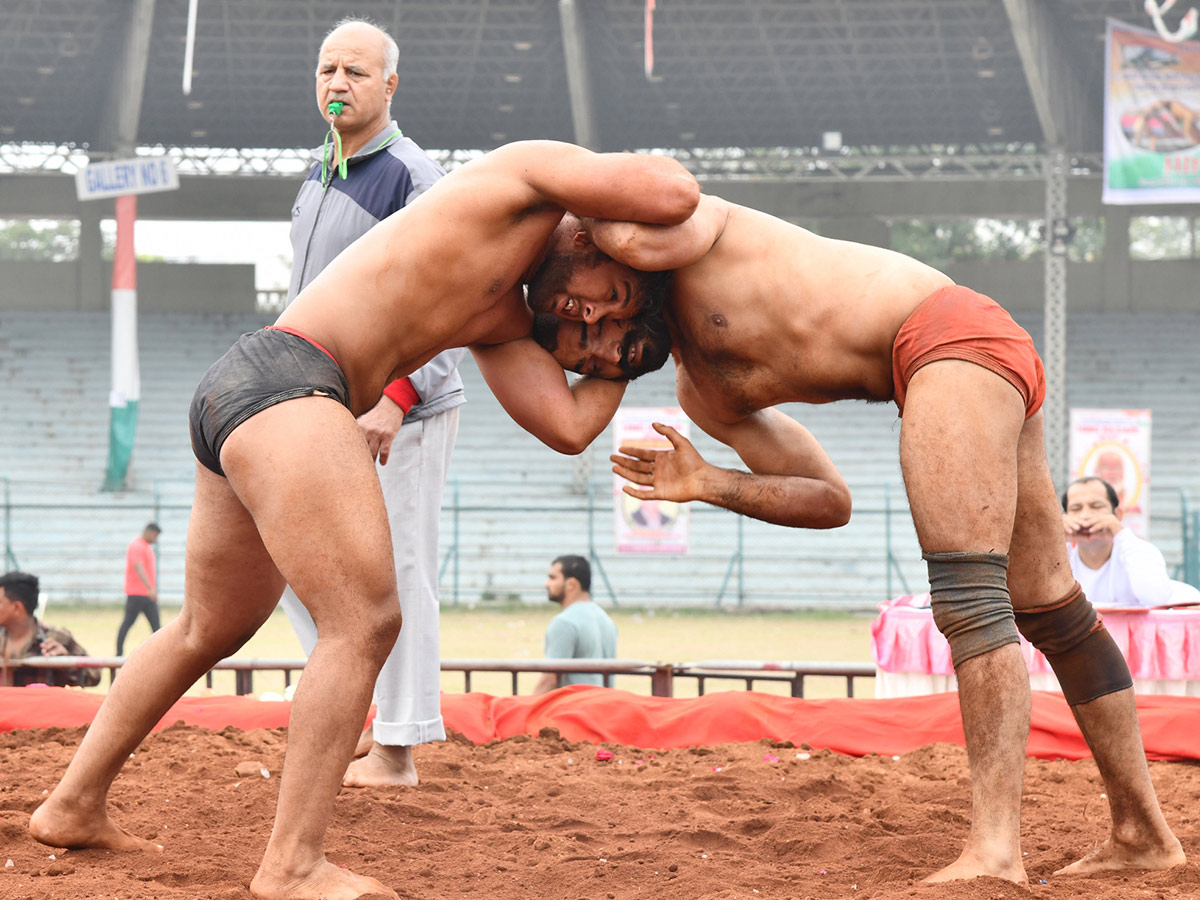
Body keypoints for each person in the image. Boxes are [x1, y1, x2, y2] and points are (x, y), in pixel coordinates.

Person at [28, 139, 699, 900]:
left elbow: (569, 427)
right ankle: (291, 865)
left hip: (246, 388)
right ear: (590, 236)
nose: (595, 314)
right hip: (293, 380)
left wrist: (629, 359)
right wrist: (671, 272)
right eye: (608, 292)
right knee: (368, 620)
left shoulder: (500, 320)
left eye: (611, 321)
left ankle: (71, 803)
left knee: (205, 627)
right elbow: (674, 193)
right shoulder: (518, 179)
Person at [536, 192, 1184, 885]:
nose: (605, 337)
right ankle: (1142, 830)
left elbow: (626, 199)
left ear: (589, 250)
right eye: (589, 355)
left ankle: (997, 850)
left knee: (970, 600)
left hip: (943, 338)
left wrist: (551, 219)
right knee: (1051, 608)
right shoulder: (705, 396)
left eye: (588, 311)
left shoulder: (677, 237)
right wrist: (712, 483)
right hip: (960, 358)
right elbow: (828, 500)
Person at [275, 17, 466, 790]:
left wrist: (396, 394)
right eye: (326, 70)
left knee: (402, 566)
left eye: (355, 71)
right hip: (323, 403)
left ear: (390, 85)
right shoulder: (319, 172)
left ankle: (398, 746)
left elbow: (454, 296)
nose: (337, 83)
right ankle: (363, 701)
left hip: (401, 411)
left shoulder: (415, 175)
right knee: (289, 560)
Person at [1063, 476, 1196, 607]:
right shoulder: (1061, 555)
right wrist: (1057, 540)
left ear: (1118, 514)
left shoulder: (1140, 551)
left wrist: (1120, 533)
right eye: (1076, 508)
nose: (1086, 515)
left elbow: (1156, 600)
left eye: (1096, 506)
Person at [531, 555, 618, 695]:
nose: (546, 584)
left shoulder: (564, 622)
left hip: (575, 711)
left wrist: (527, 711)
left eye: (553, 578)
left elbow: (550, 679)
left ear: (571, 584)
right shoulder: (606, 620)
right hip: (603, 709)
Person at [0, 571, 100, 688]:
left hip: (40, 706)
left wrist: (66, 663)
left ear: (17, 608)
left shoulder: (56, 639)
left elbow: (95, 675)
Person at [117, 522, 160, 656]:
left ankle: (161, 654)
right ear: (149, 532)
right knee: (127, 623)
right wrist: (150, 588)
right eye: (155, 535)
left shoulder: (146, 547)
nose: (156, 539)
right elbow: (138, 567)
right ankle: (118, 653)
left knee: (157, 627)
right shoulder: (137, 545)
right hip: (137, 594)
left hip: (146, 595)